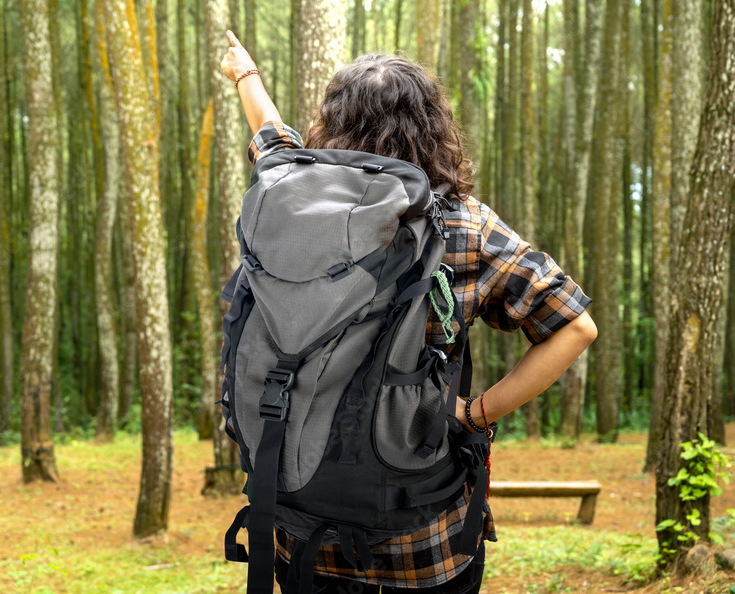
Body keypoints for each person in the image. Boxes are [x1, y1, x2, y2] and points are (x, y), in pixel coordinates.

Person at [220, 30, 599, 594]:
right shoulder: (460, 225)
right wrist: (475, 413)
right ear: (434, 127)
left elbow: (272, 140)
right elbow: (575, 325)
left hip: (300, 531)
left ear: (332, 123)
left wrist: (246, 77)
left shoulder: (295, 201)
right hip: (424, 542)